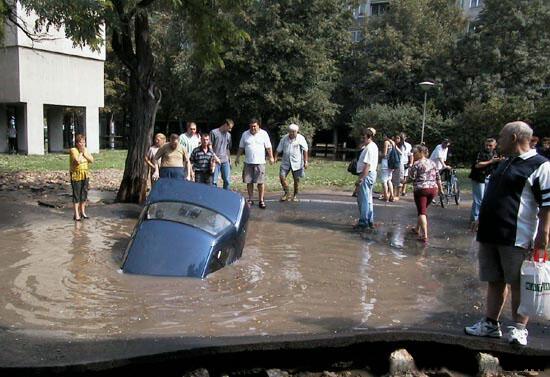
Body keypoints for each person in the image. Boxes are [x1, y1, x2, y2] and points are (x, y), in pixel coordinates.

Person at [465, 121, 550, 347]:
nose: (498, 140)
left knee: (518, 283)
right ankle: (490, 324)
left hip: (516, 236)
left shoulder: (540, 165)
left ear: (514, 138)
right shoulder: (504, 163)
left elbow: (547, 205)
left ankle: (519, 329)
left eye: (501, 136)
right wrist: (480, 218)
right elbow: (495, 194)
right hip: (491, 233)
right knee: (494, 280)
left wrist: (543, 235)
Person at [235, 118, 274, 209]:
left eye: (255, 126)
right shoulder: (245, 134)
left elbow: (268, 147)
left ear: (258, 126)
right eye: (251, 126)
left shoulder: (264, 134)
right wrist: (237, 157)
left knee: (260, 182)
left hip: (260, 162)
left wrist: (271, 157)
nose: (253, 128)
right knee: (249, 182)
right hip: (248, 162)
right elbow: (241, 147)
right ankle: (251, 199)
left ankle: (261, 200)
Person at [407, 145, 442, 243]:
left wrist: (403, 182)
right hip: (433, 189)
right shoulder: (433, 163)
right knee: (423, 209)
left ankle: (424, 235)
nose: (413, 155)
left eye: (415, 153)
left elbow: (411, 178)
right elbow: (438, 177)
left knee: (422, 212)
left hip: (421, 189)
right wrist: (441, 190)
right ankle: (417, 228)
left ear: (421, 152)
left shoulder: (416, 164)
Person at [468, 138, 500, 228]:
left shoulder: (495, 154)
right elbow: (477, 165)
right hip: (478, 178)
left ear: (495, 146)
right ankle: (475, 221)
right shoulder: (480, 153)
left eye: (490, 146)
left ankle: (480, 219)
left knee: (486, 199)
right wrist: (491, 161)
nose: (488, 147)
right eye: (486, 145)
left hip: (489, 178)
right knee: (479, 200)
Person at [274, 123, 309, 202]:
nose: (292, 133)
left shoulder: (301, 138)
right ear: (288, 131)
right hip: (285, 162)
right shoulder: (284, 139)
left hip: (297, 163)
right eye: (291, 131)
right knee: (282, 177)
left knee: (296, 180)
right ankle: (287, 193)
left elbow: (305, 150)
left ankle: (295, 195)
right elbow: (278, 149)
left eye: (294, 132)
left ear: (297, 131)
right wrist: (275, 157)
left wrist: (306, 161)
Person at [354, 128, 378, 230]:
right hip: (371, 174)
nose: (362, 139)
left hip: (367, 174)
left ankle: (363, 221)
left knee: (363, 199)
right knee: (368, 199)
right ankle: (369, 220)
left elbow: (367, 165)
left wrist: (361, 179)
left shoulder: (369, 148)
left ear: (369, 137)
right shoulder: (372, 146)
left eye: (364, 137)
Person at [69, 134, 94, 221]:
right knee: (77, 195)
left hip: (85, 174)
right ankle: (76, 214)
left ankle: (83, 212)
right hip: (76, 175)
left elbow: (91, 160)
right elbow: (77, 161)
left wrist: (85, 154)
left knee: (84, 194)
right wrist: (81, 153)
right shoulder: (73, 150)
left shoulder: (86, 150)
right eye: (80, 142)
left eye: (84, 142)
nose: (83, 144)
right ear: (77, 143)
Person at [210, 119, 234, 190]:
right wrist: (214, 157)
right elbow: (209, 147)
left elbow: (227, 148)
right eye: (229, 128)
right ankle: (214, 196)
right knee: (214, 181)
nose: (230, 130)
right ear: (225, 125)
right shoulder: (213, 132)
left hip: (225, 160)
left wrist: (229, 159)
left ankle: (225, 196)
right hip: (215, 160)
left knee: (227, 180)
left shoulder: (228, 135)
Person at [379, 135, 395, 201]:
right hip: (391, 163)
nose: (383, 137)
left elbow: (385, 154)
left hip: (386, 162)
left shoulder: (386, 142)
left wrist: (380, 154)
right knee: (389, 180)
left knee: (384, 180)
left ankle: (386, 196)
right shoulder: (393, 143)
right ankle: (392, 196)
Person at [390, 134, 405, 202]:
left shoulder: (402, 146)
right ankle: (392, 194)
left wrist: (395, 146)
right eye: (396, 138)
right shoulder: (394, 145)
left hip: (400, 164)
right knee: (393, 180)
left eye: (398, 138)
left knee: (399, 180)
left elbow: (401, 153)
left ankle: (398, 196)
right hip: (394, 164)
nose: (396, 139)